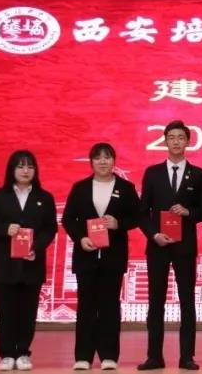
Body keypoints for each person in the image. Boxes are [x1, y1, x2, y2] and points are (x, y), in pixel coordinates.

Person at [61, 143, 141, 371]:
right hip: (86, 255)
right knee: (86, 305)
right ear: (91, 162)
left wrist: (118, 223)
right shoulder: (80, 188)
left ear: (114, 161)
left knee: (109, 306)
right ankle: (83, 356)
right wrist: (80, 238)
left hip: (113, 256)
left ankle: (109, 355)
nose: (103, 162)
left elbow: (138, 217)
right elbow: (68, 219)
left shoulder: (125, 188)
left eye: (107, 157)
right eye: (98, 158)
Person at [0, 150, 58, 372]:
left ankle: (23, 352)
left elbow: (50, 228)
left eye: (30, 166)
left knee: (27, 312)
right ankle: (6, 354)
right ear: (12, 170)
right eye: (21, 166)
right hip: (4, 265)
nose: (25, 171)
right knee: (5, 311)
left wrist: (37, 247)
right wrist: (5, 229)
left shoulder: (44, 198)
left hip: (32, 263)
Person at [137, 120, 202, 371]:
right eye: (172, 137)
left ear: (188, 141)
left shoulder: (198, 174)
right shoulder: (152, 173)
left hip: (184, 247)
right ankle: (154, 356)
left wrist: (189, 212)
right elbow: (142, 213)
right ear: (165, 141)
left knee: (187, 301)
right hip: (158, 246)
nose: (176, 142)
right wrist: (153, 234)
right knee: (155, 301)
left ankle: (187, 357)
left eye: (181, 137)